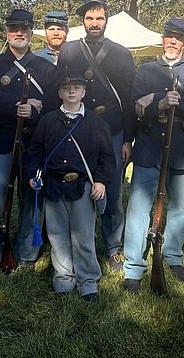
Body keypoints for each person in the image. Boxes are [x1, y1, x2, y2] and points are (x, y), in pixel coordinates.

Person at [122, 18, 184, 292]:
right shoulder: (145, 69)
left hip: (181, 146)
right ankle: (133, 266)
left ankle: (172, 255)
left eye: (178, 37)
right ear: (163, 39)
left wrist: (155, 98)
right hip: (148, 143)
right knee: (138, 207)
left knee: (180, 206)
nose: (173, 41)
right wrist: (161, 100)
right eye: (169, 36)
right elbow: (136, 105)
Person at [57, 0, 136, 272]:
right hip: (78, 129)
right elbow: (62, 91)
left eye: (99, 17)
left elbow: (129, 99)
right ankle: (82, 242)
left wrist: (127, 138)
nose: (94, 22)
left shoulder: (121, 53)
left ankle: (113, 247)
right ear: (83, 20)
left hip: (112, 130)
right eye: (89, 18)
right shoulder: (69, 50)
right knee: (79, 187)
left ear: (106, 20)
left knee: (112, 190)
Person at [0, 9, 57, 274]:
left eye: (24, 29)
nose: (19, 33)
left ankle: (28, 253)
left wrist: (36, 109)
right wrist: (17, 105)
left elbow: (57, 100)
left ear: (32, 33)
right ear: (6, 33)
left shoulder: (46, 68)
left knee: (32, 195)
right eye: (13, 29)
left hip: (34, 141)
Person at [24, 69, 114, 302]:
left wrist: (102, 181)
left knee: (84, 236)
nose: (71, 91)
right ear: (59, 92)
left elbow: (106, 156)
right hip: (53, 185)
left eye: (76, 88)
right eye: (66, 88)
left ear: (84, 92)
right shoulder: (47, 121)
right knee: (58, 236)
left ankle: (88, 281)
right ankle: (63, 277)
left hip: (83, 187)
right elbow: (35, 151)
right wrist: (34, 175)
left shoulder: (97, 123)